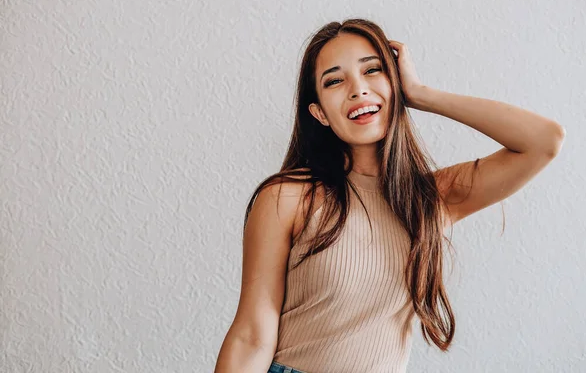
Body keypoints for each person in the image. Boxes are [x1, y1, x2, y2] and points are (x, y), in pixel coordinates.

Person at [214, 18, 565, 373]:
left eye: (373, 71)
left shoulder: (432, 199)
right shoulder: (287, 197)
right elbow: (251, 336)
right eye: (335, 80)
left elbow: (543, 141)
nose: (358, 89)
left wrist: (421, 94)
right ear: (319, 113)